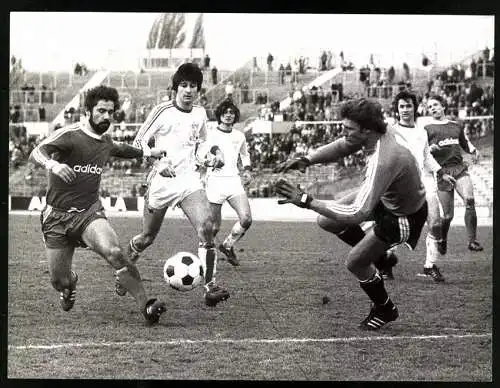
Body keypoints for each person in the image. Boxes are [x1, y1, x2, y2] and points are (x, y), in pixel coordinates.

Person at [274, 98, 428, 330]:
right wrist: (308, 159)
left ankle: (385, 308)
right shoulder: (376, 135)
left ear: (366, 130)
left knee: (355, 262)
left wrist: (307, 200)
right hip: (389, 198)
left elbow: (357, 212)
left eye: (348, 128)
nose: (343, 132)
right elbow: (344, 145)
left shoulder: (385, 158)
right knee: (326, 220)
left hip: (403, 216)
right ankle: (381, 258)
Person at [28, 85, 167, 325]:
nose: (106, 116)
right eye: (101, 111)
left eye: (110, 112)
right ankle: (70, 282)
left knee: (114, 252)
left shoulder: (105, 142)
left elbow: (124, 149)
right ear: (88, 111)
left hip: (88, 214)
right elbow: (37, 151)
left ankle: (146, 306)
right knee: (59, 281)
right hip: (56, 218)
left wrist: (149, 152)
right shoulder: (69, 135)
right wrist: (54, 165)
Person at [120, 63, 230, 307]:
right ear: (175, 88)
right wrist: (158, 163)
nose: (188, 90)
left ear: (199, 90)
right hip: (161, 182)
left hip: (189, 180)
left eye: (193, 86)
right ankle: (125, 270)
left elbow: (202, 143)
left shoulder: (200, 114)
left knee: (207, 227)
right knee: (146, 238)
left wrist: (212, 156)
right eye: (184, 85)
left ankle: (210, 287)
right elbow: (139, 142)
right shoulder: (162, 111)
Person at [388, 91, 455, 282]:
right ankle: (386, 264)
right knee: (392, 227)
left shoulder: (421, 132)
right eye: (401, 106)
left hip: (424, 181)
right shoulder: (391, 132)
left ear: (415, 108)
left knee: (435, 222)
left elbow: (426, 157)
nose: (405, 110)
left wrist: (441, 173)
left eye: (409, 105)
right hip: (399, 184)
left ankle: (430, 265)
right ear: (397, 109)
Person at [424, 95, 483, 252]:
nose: (433, 108)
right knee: (448, 215)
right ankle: (443, 238)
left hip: (459, 168)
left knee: (470, 199)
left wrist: (474, 151)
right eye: (430, 107)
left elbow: (465, 143)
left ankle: (472, 241)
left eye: (435, 105)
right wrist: (430, 149)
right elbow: (423, 152)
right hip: (442, 172)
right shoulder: (427, 129)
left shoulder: (456, 126)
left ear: (443, 106)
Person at [204, 99, 252, 266]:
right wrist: (210, 162)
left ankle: (227, 245)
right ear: (220, 115)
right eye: (225, 112)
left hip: (233, 181)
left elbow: (245, 155)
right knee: (214, 227)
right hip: (215, 182)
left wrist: (247, 170)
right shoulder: (210, 134)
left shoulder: (239, 136)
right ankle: (206, 260)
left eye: (231, 113)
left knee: (246, 219)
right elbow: (203, 154)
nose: (228, 115)